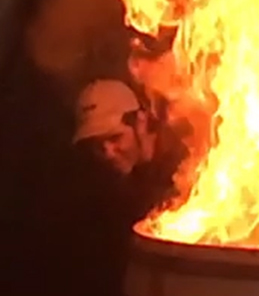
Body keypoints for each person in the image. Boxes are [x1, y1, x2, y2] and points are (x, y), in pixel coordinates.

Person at [72, 27, 195, 226]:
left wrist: (146, 173)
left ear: (141, 122)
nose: (109, 153)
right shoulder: (102, 190)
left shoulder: (188, 162)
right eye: (97, 146)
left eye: (115, 138)